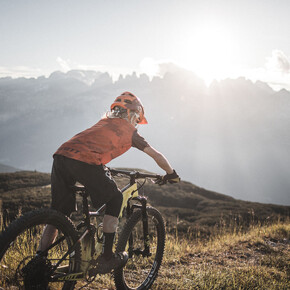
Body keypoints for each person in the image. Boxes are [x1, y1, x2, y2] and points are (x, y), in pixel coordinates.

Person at [39, 91, 180, 274]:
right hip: (84, 161)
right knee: (115, 199)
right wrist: (171, 174)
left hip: (61, 156)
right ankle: (106, 257)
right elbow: (156, 155)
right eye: (137, 118)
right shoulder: (130, 132)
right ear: (132, 114)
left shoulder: (103, 122)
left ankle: (39, 261)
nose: (137, 123)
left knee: (58, 213)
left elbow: (90, 144)